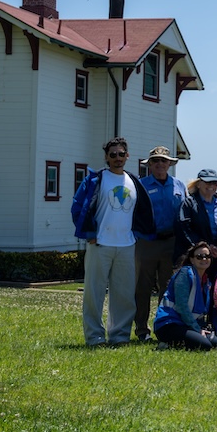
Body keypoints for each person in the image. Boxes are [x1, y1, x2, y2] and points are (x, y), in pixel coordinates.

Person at [71, 136, 155, 347]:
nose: (117, 158)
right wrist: (89, 233)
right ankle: (95, 337)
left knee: (124, 296)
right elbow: (77, 207)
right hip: (99, 244)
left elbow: (142, 211)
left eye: (121, 154)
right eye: (113, 155)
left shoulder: (134, 181)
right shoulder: (95, 180)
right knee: (94, 294)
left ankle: (119, 336)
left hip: (126, 246)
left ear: (127, 156)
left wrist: (138, 234)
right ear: (106, 158)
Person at [135, 145, 186, 342]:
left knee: (168, 288)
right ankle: (141, 330)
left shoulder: (179, 186)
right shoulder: (141, 185)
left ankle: (164, 327)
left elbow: (185, 213)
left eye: (163, 161)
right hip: (147, 242)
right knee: (143, 288)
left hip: (171, 243)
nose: (160, 164)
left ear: (169, 164)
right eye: (155, 161)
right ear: (150, 165)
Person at [153, 241, 217, 351]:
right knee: (205, 346)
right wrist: (197, 330)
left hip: (186, 324)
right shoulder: (185, 275)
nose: (204, 259)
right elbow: (182, 307)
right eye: (199, 257)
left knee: (216, 344)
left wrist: (201, 328)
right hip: (169, 324)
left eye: (207, 256)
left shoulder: (205, 280)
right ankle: (166, 344)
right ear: (192, 260)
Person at [175, 169, 217, 274]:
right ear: (198, 184)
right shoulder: (188, 204)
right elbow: (183, 229)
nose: (211, 185)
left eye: (215, 182)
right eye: (208, 182)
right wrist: (205, 247)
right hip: (196, 259)